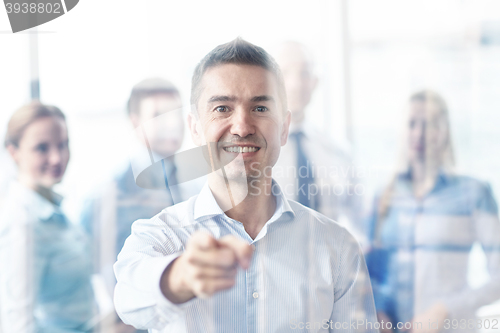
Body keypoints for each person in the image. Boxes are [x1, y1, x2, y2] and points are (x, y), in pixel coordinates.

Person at [113, 38, 378, 333]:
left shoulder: (338, 248)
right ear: (195, 129)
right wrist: (181, 276)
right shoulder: (160, 236)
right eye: (223, 108)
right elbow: (128, 296)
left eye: (260, 108)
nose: (241, 127)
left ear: (285, 127)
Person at [365, 90, 500, 333]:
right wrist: (379, 309)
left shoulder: (473, 193)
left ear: (445, 133)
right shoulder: (384, 196)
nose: (419, 133)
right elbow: (368, 271)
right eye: (412, 124)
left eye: (429, 124)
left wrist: (444, 309)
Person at [79, 78, 198, 332]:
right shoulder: (110, 194)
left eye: (176, 114)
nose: (172, 125)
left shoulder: (195, 183)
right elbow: (97, 275)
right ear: (135, 122)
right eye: (159, 116)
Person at [0, 102, 96, 332]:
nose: (57, 158)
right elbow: (19, 324)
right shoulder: (23, 224)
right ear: (14, 153)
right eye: (42, 148)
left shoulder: (52, 207)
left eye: (63, 145)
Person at [272, 41, 365, 245]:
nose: (296, 83)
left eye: (304, 73)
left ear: (315, 82)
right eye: (286, 73)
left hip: (329, 268)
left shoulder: (338, 152)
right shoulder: (253, 152)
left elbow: (357, 220)